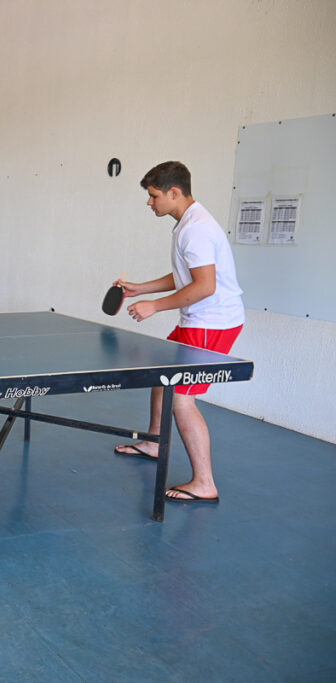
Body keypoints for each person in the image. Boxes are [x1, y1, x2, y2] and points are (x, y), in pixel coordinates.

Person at [113, 161, 245, 504]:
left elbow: (204, 286)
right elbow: (186, 275)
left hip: (211, 323)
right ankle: (154, 442)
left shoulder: (196, 229)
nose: (149, 202)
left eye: (154, 195)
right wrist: (141, 289)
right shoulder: (187, 222)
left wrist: (155, 306)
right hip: (199, 320)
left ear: (174, 192)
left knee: (183, 401)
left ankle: (204, 482)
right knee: (162, 374)